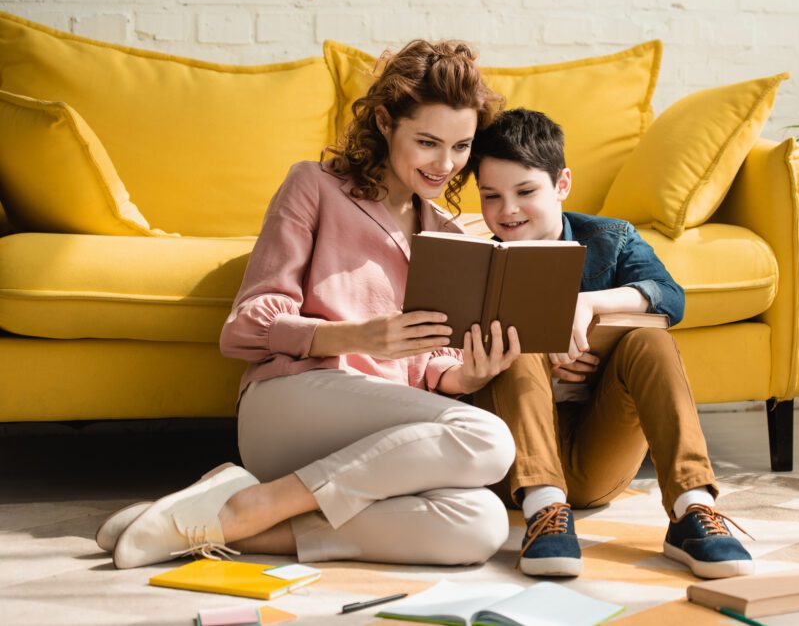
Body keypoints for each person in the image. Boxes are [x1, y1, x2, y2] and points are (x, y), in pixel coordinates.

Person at [97, 40, 522, 570]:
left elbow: (427, 364)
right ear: (386, 123)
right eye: (428, 142)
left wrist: (467, 378)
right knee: (485, 437)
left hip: (382, 438)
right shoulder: (315, 187)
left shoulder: (447, 233)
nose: (445, 164)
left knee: (479, 524)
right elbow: (245, 326)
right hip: (292, 403)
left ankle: (218, 523)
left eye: (461, 147)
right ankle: (260, 502)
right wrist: (356, 337)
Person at [466, 108, 753, 579]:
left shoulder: (611, 240)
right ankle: (545, 512)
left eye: (526, 192)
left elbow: (671, 298)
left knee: (650, 337)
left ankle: (692, 509)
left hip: (596, 453)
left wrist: (590, 305)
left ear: (561, 185)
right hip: (511, 469)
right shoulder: (473, 253)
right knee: (517, 339)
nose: (508, 211)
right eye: (491, 196)